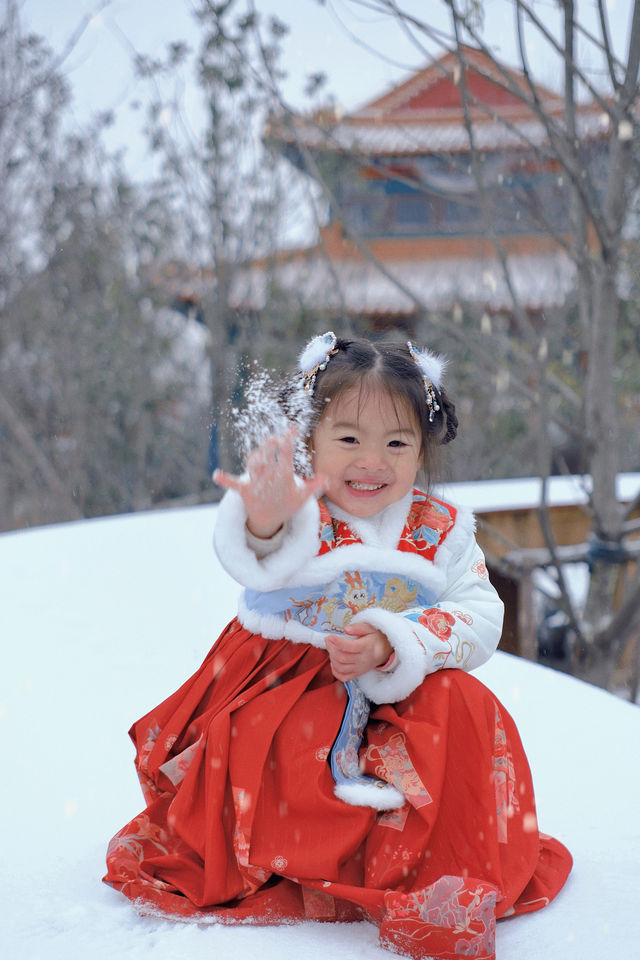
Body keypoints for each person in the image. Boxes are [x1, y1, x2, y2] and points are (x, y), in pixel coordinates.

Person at [104, 333, 572, 960]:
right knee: (280, 743)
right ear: (310, 440)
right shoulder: (300, 505)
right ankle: (289, 851)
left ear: (422, 448)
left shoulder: (439, 529)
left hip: (396, 690)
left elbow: (480, 611)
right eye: (349, 438)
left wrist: (395, 640)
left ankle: (431, 859)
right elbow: (262, 556)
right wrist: (263, 519)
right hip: (288, 678)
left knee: (466, 705)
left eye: (397, 442)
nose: (372, 461)